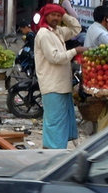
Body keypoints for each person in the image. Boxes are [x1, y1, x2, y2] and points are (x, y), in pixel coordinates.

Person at [34, 3, 85, 149]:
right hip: (52, 86)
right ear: (46, 16)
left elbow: (76, 28)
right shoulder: (44, 34)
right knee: (54, 124)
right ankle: (53, 156)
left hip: (62, 85)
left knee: (60, 124)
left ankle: (55, 152)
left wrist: (64, 14)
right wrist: (75, 50)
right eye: (53, 15)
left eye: (58, 15)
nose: (56, 18)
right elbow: (55, 58)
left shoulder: (58, 32)